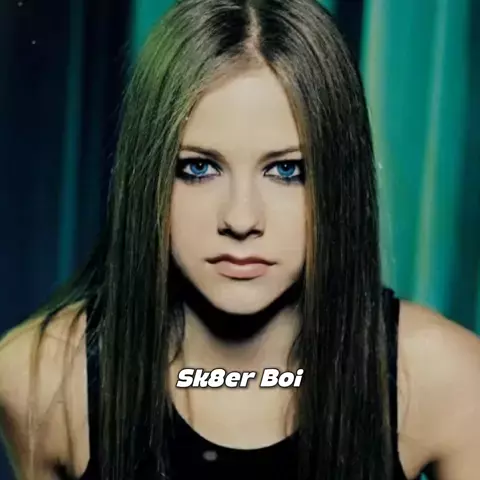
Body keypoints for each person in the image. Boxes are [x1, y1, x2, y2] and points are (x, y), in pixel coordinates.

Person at [1, 0, 479, 479]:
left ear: (341, 181)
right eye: (198, 168)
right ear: (147, 178)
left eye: (287, 170)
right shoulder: (40, 381)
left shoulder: (448, 380)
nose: (241, 218)